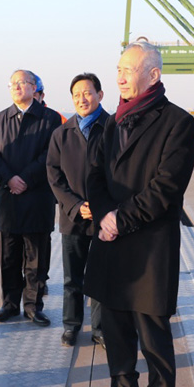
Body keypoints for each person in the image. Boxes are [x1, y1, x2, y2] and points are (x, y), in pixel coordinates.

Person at [83, 41, 194, 387]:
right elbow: (94, 175)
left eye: (128, 70)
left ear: (153, 75)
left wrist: (119, 218)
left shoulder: (178, 122)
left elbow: (166, 187)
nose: (119, 77)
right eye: (118, 69)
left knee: (152, 329)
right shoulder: (113, 122)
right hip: (111, 238)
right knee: (114, 323)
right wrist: (104, 215)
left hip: (149, 242)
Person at [0, 70, 61, 326]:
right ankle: (9, 305)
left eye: (23, 82)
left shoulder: (50, 119)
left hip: (37, 198)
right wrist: (9, 179)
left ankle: (33, 306)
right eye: (13, 83)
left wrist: (25, 179)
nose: (17, 87)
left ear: (34, 87)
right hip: (7, 201)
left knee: (36, 259)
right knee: (8, 258)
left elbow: (50, 155)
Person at [46, 73, 109, 348]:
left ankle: (101, 328)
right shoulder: (62, 134)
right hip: (72, 218)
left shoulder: (113, 128)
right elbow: (53, 174)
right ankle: (71, 326)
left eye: (87, 93)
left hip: (105, 217)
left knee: (103, 276)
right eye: (76, 95)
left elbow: (121, 172)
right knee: (72, 278)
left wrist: (100, 205)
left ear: (99, 95)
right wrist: (74, 205)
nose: (82, 99)